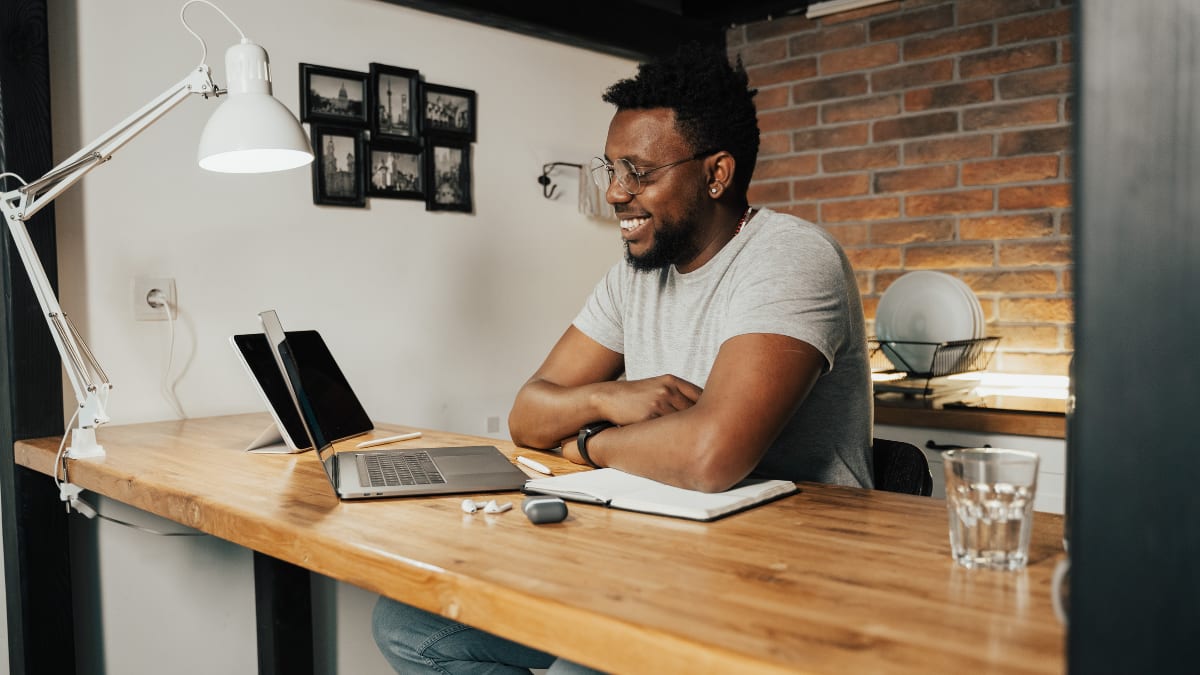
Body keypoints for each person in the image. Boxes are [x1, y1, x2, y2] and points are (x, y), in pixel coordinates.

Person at [372, 42, 872, 675]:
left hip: (787, 581)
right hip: (660, 558)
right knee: (410, 624)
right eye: (610, 168)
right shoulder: (635, 276)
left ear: (716, 174)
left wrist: (585, 445)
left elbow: (708, 455)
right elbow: (529, 413)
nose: (614, 193)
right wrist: (608, 399)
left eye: (638, 171)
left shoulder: (790, 259)